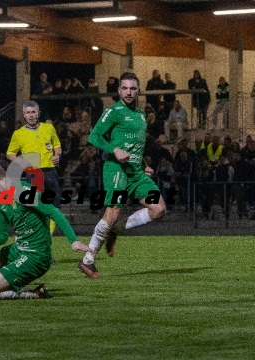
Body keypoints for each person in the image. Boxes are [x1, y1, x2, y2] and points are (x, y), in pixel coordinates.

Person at [78, 72, 166, 278]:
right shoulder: (114, 111)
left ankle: (115, 230)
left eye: (133, 88)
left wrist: (143, 163)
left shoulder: (141, 114)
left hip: (135, 173)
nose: (128, 92)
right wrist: (113, 150)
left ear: (138, 91)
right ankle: (87, 260)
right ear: (118, 90)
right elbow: (94, 136)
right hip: (116, 170)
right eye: (125, 88)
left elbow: (136, 144)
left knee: (159, 209)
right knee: (113, 212)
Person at [0, 160, 93, 300]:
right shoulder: (1, 201)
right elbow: (2, 236)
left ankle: (33, 294)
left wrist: (74, 241)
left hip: (36, 255)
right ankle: (14, 284)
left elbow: (54, 212)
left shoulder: (23, 191)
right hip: (20, 249)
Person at [6, 100, 62, 235]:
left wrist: (57, 155)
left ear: (38, 113)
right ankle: (33, 236)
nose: (31, 115)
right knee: (35, 208)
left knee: (55, 207)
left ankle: (47, 237)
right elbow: (10, 154)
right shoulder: (18, 134)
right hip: (33, 174)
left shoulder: (49, 128)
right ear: (24, 115)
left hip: (50, 172)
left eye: (33, 112)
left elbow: (57, 145)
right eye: (28, 113)